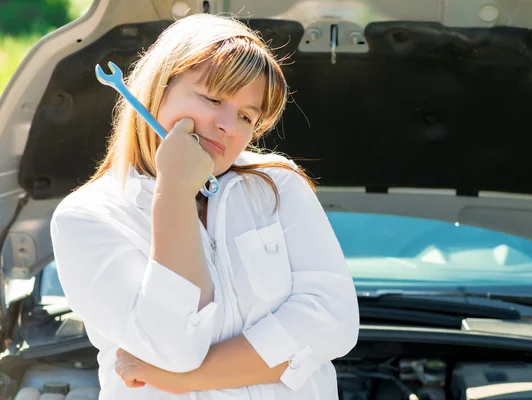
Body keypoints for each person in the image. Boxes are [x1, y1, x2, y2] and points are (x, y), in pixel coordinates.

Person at [49, 12, 360, 400]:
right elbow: (172, 347)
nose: (229, 125)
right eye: (213, 98)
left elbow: (334, 322)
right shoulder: (88, 216)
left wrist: (189, 380)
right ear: (156, 89)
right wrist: (175, 194)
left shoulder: (278, 184)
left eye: (247, 116)